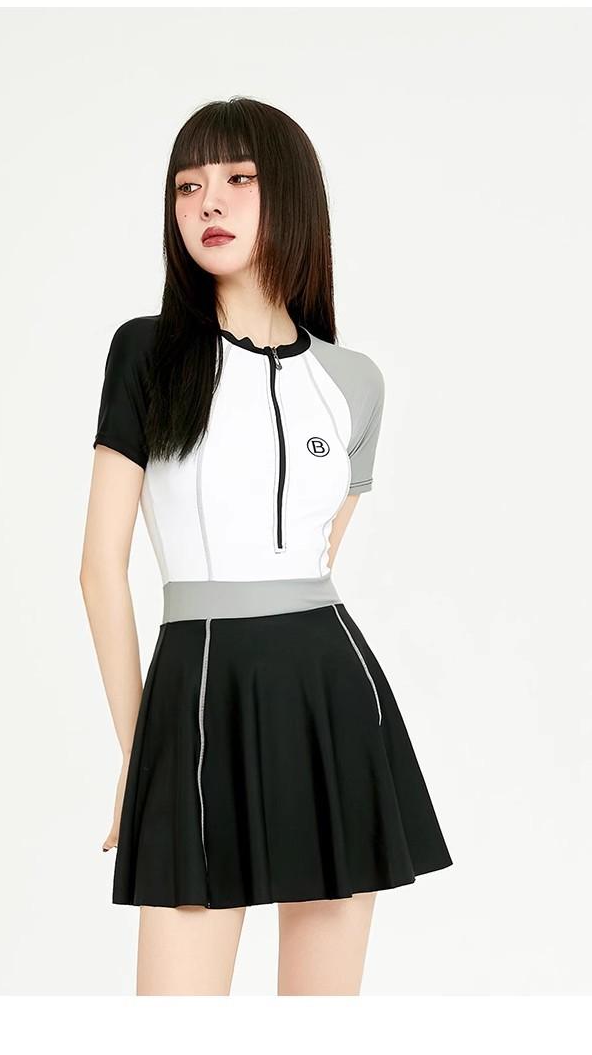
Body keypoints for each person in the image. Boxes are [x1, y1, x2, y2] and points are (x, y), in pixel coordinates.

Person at [80, 97, 453, 996]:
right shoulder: (147, 354)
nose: (208, 202)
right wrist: (141, 753)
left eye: (237, 179)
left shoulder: (353, 382)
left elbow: (315, 564)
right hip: (198, 690)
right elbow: (99, 571)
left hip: (332, 699)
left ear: (290, 195)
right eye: (187, 186)